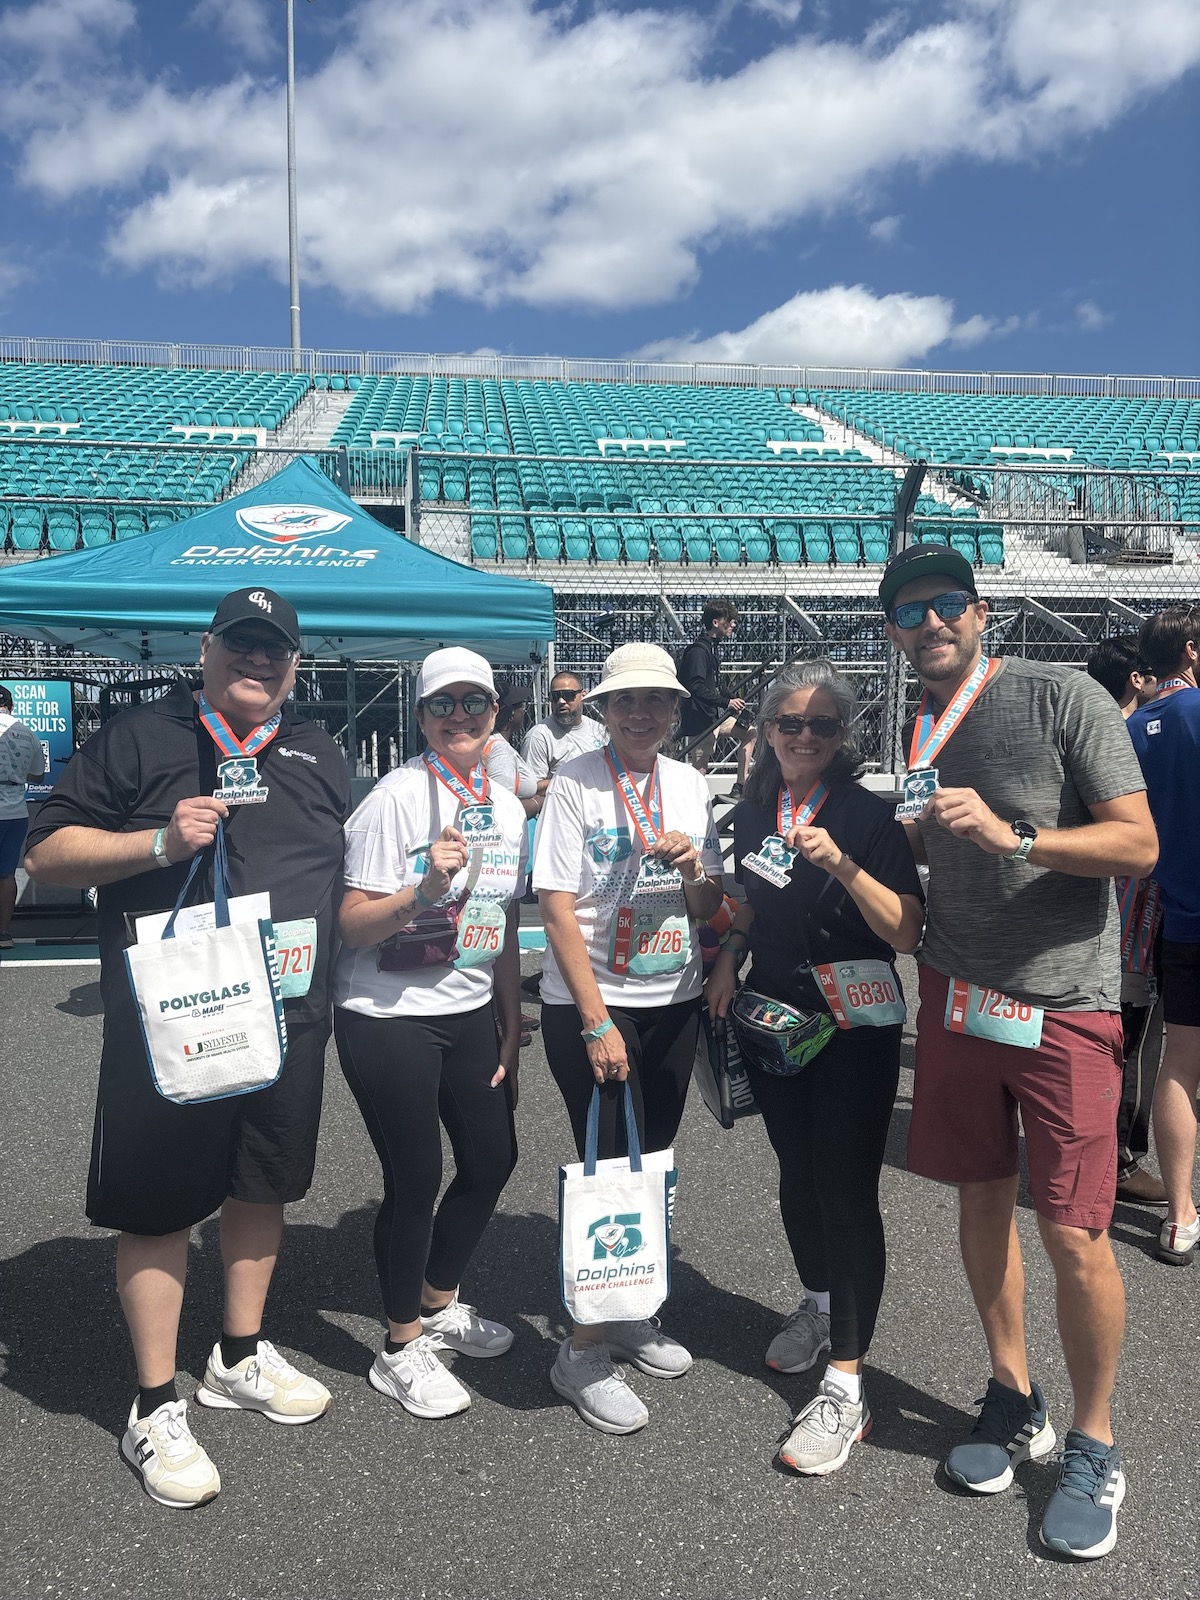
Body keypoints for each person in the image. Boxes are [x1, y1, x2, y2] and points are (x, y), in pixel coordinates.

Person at [24, 587, 351, 1509]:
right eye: (241, 642)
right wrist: (158, 843)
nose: (258, 659)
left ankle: (238, 1355)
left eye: (275, 648)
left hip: (286, 1014)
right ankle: (153, 1403)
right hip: (177, 1017)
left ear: (295, 664)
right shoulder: (141, 735)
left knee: (262, 1183)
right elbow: (45, 852)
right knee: (161, 1207)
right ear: (206, 649)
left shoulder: (317, 748)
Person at [879, 544, 1156, 1561]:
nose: (929, 622)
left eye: (946, 603)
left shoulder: (1059, 695)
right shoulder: (920, 718)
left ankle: (1095, 1441)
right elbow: (937, 844)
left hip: (1064, 1003)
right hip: (957, 998)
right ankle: (1012, 1394)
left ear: (981, 609)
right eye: (909, 612)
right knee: (981, 1200)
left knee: (1076, 1233)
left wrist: (1018, 838)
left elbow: (1138, 844)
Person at [705, 660, 924, 1476]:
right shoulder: (753, 810)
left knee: (846, 1189)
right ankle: (822, 1304)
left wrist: (841, 865)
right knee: (797, 1174)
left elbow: (906, 931)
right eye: (789, 722)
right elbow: (752, 902)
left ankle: (847, 1381)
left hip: (855, 1026)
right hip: (776, 1019)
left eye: (821, 725)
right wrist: (729, 951)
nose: (804, 735)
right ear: (767, 730)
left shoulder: (869, 816)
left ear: (842, 737)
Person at [533, 643, 724, 1434]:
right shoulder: (576, 782)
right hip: (597, 1003)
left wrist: (692, 870)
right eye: (624, 701)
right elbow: (554, 904)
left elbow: (710, 903)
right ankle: (580, 1350)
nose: (640, 714)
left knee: (651, 1162)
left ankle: (627, 1308)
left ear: (675, 711)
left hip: (672, 995)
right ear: (604, 711)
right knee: (607, 1165)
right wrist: (595, 1020)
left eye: (655, 701)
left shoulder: (688, 783)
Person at [333, 647, 524, 1420]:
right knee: (414, 1180)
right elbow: (351, 925)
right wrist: (424, 889)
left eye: (474, 702)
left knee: (492, 1159)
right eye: (443, 704)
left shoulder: (507, 805)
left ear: (496, 714)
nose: (460, 716)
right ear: (420, 715)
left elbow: (503, 917)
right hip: (387, 1015)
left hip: (469, 1008)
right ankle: (399, 1343)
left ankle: (437, 1299)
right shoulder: (394, 798)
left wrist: (508, 1018)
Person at [1127, 606, 1200, 1266]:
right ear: (1191, 650)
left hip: (1177, 914)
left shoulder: (1133, 727)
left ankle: (1180, 1216)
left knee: (1179, 1061)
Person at [1085, 637, 1167, 1206]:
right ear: (1136, 679)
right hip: (1131, 911)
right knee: (1131, 1040)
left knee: (1110, 1034)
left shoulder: (1090, 731)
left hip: (1103, 910)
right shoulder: (1131, 735)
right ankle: (1117, 1158)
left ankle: (1105, 1150)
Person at [675, 598, 753, 786]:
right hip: (702, 719)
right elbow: (696, 687)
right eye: (729, 620)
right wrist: (727, 702)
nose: (733, 624)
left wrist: (732, 698)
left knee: (751, 732)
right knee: (700, 770)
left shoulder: (710, 649)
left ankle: (741, 784)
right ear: (715, 623)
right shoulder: (698, 651)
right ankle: (695, 800)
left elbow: (716, 685)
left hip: (714, 716)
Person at [0, 684, 47, 949]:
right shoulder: (27, 733)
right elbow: (38, 775)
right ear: (11, 705)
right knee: (6, 874)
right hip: (16, 812)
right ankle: (3, 934)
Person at [520, 670, 605, 813]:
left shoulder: (600, 731)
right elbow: (532, 788)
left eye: (568, 695)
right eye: (555, 697)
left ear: (583, 695)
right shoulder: (540, 736)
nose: (561, 701)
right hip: (561, 813)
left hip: (599, 810)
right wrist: (574, 780)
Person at [483, 676, 539, 817]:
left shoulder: (488, 741)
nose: (524, 711)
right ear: (511, 713)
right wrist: (540, 803)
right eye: (521, 706)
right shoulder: (500, 750)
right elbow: (502, 807)